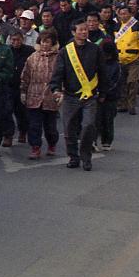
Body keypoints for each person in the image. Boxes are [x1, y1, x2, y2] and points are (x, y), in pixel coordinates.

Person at [51, 20, 104, 171]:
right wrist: (55, 88)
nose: (84, 32)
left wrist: (104, 91)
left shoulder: (95, 49)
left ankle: (86, 157)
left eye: (85, 30)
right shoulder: (65, 51)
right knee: (69, 128)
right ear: (74, 32)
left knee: (88, 126)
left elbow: (102, 71)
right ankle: (73, 156)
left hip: (90, 96)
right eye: (80, 30)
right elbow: (58, 72)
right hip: (70, 95)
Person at [20, 33, 61, 159]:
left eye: (47, 42)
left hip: (51, 97)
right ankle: (35, 148)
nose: (44, 44)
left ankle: (52, 144)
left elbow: (62, 76)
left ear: (52, 43)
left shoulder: (59, 58)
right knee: (34, 125)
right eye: (42, 41)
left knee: (50, 127)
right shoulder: (32, 57)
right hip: (34, 96)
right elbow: (25, 75)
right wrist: (23, 91)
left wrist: (60, 92)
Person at [114, 5, 139, 115]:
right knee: (121, 82)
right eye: (121, 13)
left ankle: (131, 104)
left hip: (134, 58)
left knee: (132, 82)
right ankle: (122, 104)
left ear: (130, 14)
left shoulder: (137, 25)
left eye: (125, 13)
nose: (123, 15)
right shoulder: (116, 26)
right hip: (120, 58)